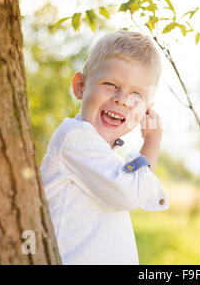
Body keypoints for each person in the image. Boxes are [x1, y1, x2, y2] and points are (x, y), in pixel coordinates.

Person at [40, 30, 168, 264]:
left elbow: (141, 191)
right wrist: (152, 143)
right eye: (111, 84)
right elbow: (130, 194)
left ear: (146, 110)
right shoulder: (75, 139)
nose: (121, 99)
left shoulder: (109, 158)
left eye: (136, 95)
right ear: (80, 86)